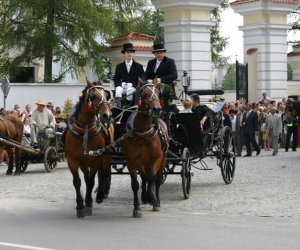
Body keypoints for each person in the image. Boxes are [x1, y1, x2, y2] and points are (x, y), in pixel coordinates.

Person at [142, 43, 178, 108]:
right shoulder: (151, 62)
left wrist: (161, 79)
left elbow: (174, 75)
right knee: (141, 87)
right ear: (154, 54)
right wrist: (143, 81)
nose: (159, 55)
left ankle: (157, 104)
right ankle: (140, 105)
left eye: (161, 53)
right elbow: (146, 73)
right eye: (157, 53)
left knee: (158, 86)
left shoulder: (170, 61)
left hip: (167, 85)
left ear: (164, 53)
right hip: (152, 84)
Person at [113, 43, 144, 108]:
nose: (129, 54)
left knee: (129, 90)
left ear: (133, 54)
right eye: (127, 52)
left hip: (133, 87)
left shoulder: (139, 66)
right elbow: (116, 79)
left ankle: (128, 106)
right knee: (118, 89)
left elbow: (142, 79)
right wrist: (122, 84)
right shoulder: (119, 66)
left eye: (131, 52)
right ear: (124, 54)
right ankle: (118, 107)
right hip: (123, 86)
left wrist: (132, 84)